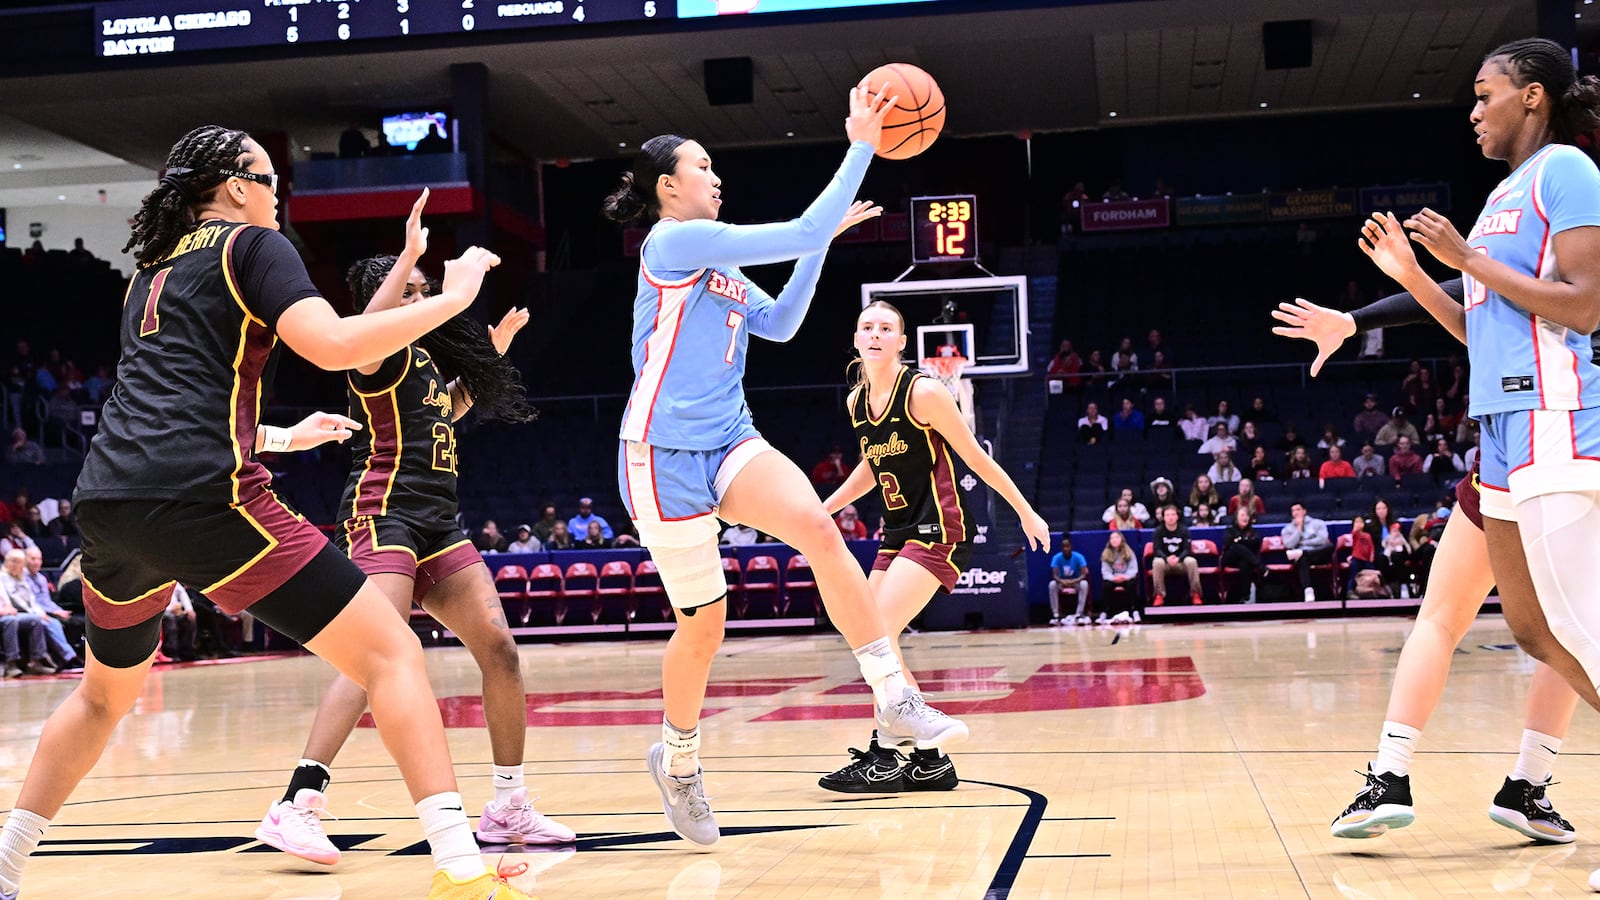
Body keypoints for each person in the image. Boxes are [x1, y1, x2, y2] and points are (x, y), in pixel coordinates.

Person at [0, 126, 534, 900]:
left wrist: (280, 433)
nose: (279, 191)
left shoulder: (147, 272)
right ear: (238, 186)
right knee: (391, 655)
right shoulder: (251, 244)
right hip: (206, 499)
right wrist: (451, 299)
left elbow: (163, 404)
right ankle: (460, 870)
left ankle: (7, 864)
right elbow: (333, 347)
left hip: (110, 503)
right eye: (270, 176)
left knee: (102, 695)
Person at [601, 82, 968, 847]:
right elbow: (801, 226)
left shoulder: (721, 266)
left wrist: (817, 248)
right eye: (703, 167)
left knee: (817, 526)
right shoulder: (670, 244)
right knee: (703, 628)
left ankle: (893, 692)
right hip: (659, 454)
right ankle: (678, 762)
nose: (716, 177)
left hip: (731, 437)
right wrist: (862, 142)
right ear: (669, 186)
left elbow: (782, 323)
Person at [256, 212, 572, 870]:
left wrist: (498, 347)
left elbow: (447, 410)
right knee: (376, 655)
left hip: (438, 521)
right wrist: (405, 258)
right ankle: (298, 803)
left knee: (502, 650)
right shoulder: (371, 351)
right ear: (389, 298)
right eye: (413, 291)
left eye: (428, 290)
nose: (424, 299)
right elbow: (367, 338)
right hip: (384, 513)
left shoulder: (422, 357)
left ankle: (508, 805)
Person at [1275, 251, 1586, 850]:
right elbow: (1456, 291)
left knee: (1441, 620)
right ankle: (1528, 783)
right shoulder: (1569, 263)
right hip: (1565, 453)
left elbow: (1452, 294)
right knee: (1564, 631)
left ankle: (1390, 775)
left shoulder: (1538, 253)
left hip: (1506, 453)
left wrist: (1356, 320)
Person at [817, 301, 1050, 791]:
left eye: (886, 328)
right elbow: (870, 466)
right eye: (867, 327)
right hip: (897, 530)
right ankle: (929, 760)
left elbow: (976, 459)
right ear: (856, 339)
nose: (876, 334)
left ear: (901, 342)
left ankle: (884, 756)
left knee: (876, 632)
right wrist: (826, 506)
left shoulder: (922, 391)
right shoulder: (857, 401)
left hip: (940, 527)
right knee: (873, 637)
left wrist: (1025, 510)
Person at [1280, 501, 1332, 602]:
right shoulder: (1287, 529)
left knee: (1330, 546)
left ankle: (1304, 553)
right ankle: (1308, 590)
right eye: (1293, 511)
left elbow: (1322, 539)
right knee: (1301, 558)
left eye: (1298, 509)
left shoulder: (1318, 523)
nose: (1296, 512)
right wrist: (1298, 529)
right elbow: (1289, 544)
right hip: (1301, 558)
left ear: (1304, 511)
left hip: (1318, 554)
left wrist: (1304, 542)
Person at [1150, 505, 1201, 606]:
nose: (1170, 517)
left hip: (1181, 562)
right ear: (1163, 517)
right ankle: (1159, 595)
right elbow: (1157, 549)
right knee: (1157, 562)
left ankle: (1195, 594)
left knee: (1191, 561)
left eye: (1173, 514)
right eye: (1167, 515)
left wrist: (1179, 558)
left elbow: (1187, 549)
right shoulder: (1158, 531)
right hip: (1165, 563)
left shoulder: (1184, 530)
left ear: (1177, 516)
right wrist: (1166, 558)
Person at [1219, 505, 1262, 603]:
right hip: (1230, 559)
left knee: (1244, 562)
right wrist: (1245, 541)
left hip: (1246, 560)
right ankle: (1260, 567)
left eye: (1247, 515)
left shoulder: (1252, 531)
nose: (1245, 518)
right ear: (1236, 518)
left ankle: (1245, 597)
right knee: (1236, 547)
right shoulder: (1229, 530)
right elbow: (1228, 543)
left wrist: (1239, 541)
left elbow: (1256, 543)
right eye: (1242, 515)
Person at [1099, 530, 1140, 623]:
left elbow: (1134, 569)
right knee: (1106, 585)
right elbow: (1105, 571)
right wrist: (1113, 578)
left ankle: (1135, 611)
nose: (1114, 540)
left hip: (1126, 578)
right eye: (1112, 538)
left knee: (1132, 584)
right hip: (1113, 578)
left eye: (1117, 537)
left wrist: (1125, 577)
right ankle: (1104, 612)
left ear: (1122, 539)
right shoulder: (1106, 553)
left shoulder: (1129, 552)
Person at [1048, 535, 1090, 626]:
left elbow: (1084, 574)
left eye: (1068, 546)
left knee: (1084, 584)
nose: (1066, 548)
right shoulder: (1057, 558)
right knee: (1052, 584)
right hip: (1062, 582)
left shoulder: (1079, 557)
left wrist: (1073, 581)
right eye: (1064, 547)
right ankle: (1056, 615)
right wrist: (1062, 581)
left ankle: (1079, 614)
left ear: (1071, 547)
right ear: (1061, 548)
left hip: (1076, 582)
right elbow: (1054, 575)